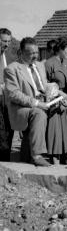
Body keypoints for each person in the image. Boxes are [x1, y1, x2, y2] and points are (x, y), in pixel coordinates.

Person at [4, 37, 67, 166]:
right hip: (22, 108)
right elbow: (14, 94)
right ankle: (37, 155)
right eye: (31, 53)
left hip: (42, 102)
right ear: (21, 52)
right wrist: (37, 103)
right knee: (39, 113)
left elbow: (44, 86)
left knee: (60, 110)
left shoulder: (39, 65)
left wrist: (59, 93)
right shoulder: (12, 69)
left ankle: (57, 155)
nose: (35, 56)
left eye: (37, 53)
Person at [45, 37, 67, 164]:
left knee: (64, 130)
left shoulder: (65, 62)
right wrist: (58, 94)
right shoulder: (48, 64)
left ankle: (65, 156)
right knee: (54, 130)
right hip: (53, 102)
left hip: (64, 102)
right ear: (60, 49)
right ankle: (54, 157)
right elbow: (44, 85)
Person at [0, 28, 17, 161]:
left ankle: (5, 160)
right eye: (3, 40)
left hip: (8, 99)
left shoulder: (11, 57)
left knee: (8, 129)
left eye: (9, 41)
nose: (6, 44)